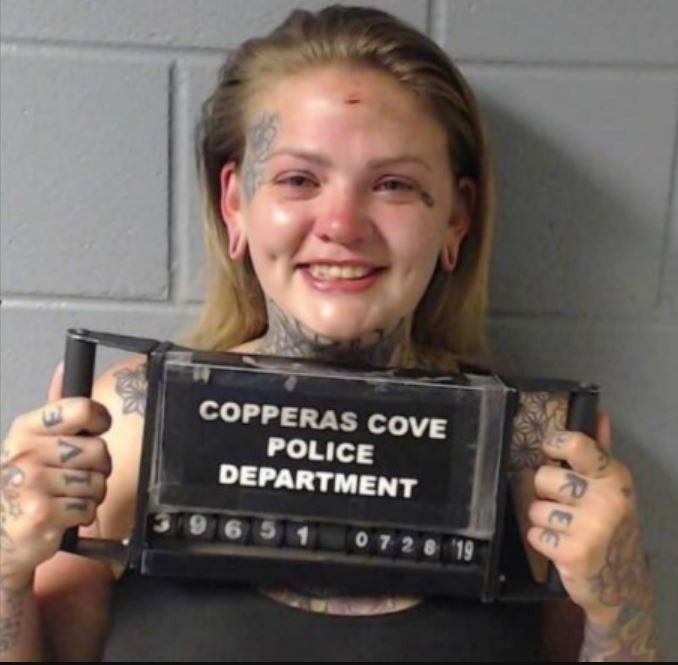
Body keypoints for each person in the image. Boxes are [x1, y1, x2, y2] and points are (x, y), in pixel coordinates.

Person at [0, 5, 659, 661]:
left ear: (456, 217)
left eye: (393, 184)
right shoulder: (132, 422)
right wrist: (6, 566)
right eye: (298, 180)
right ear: (236, 203)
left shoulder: (536, 449)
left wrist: (621, 600)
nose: (342, 225)